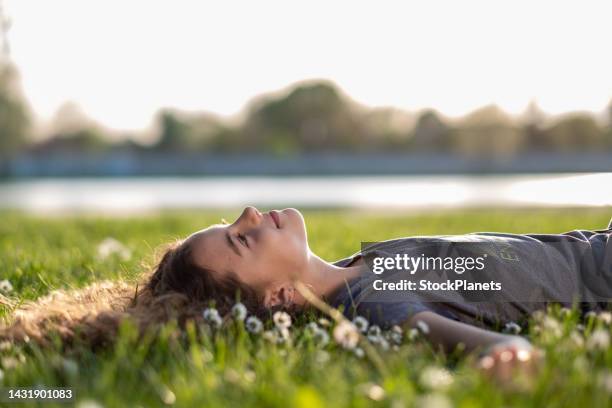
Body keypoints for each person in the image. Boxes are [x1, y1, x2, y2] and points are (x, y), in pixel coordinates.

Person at [2, 206, 611, 376]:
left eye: (232, 223)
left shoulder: (359, 268)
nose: (247, 213)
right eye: (241, 239)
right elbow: (466, 344)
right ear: (279, 300)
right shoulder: (373, 306)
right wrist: (498, 356)